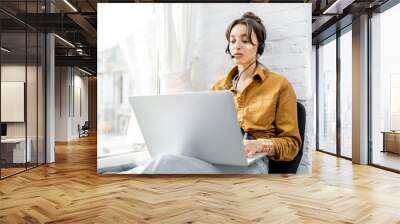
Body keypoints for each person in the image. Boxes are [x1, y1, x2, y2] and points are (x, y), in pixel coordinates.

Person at [127, 12, 301, 174]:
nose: (237, 46)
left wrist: (258, 145)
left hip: (252, 165)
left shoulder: (279, 85)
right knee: (164, 160)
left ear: (259, 46)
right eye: (232, 41)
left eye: (245, 40)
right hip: (214, 161)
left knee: (165, 163)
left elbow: (292, 145)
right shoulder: (219, 88)